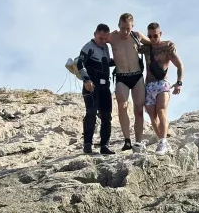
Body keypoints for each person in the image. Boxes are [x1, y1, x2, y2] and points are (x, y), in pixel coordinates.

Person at [140, 23, 183, 156]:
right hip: (149, 85)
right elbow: (134, 37)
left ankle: (163, 141)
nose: (153, 38)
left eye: (155, 35)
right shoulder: (147, 48)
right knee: (152, 117)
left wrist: (179, 82)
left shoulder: (167, 47)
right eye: (150, 36)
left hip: (162, 84)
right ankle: (162, 142)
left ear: (160, 34)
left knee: (161, 110)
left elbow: (179, 65)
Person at [109, 13, 149, 151]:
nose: (126, 32)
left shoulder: (136, 35)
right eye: (123, 28)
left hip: (137, 75)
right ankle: (127, 140)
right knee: (122, 105)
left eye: (128, 28)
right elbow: (97, 40)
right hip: (121, 76)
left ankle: (138, 141)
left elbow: (153, 44)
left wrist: (167, 44)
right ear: (118, 25)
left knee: (139, 109)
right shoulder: (112, 37)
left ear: (132, 26)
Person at [75, 24, 116, 154]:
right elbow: (80, 62)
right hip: (92, 85)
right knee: (91, 112)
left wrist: (122, 60)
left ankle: (105, 145)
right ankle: (87, 144)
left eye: (105, 39)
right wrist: (86, 79)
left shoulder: (106, 47)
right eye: (100, 38)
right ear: (95, 34)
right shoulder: (88, 47)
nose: (103, 41)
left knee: (106, 115)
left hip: (105, 86)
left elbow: (106, 63)